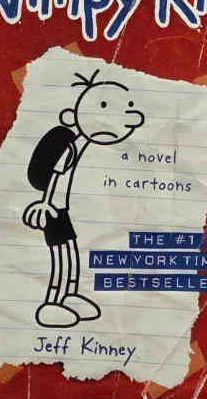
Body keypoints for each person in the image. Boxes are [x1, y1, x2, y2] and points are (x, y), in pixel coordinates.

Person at [23, 68, 144, 327]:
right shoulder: (68, 148)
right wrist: (45, 203)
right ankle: (52, 303)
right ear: (72, 115)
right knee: (61, 258)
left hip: (62, 212)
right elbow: (55, 178)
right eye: (103, 107)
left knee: (71, 256)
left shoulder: (81, 146)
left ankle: (69, 296)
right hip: (54, 212)